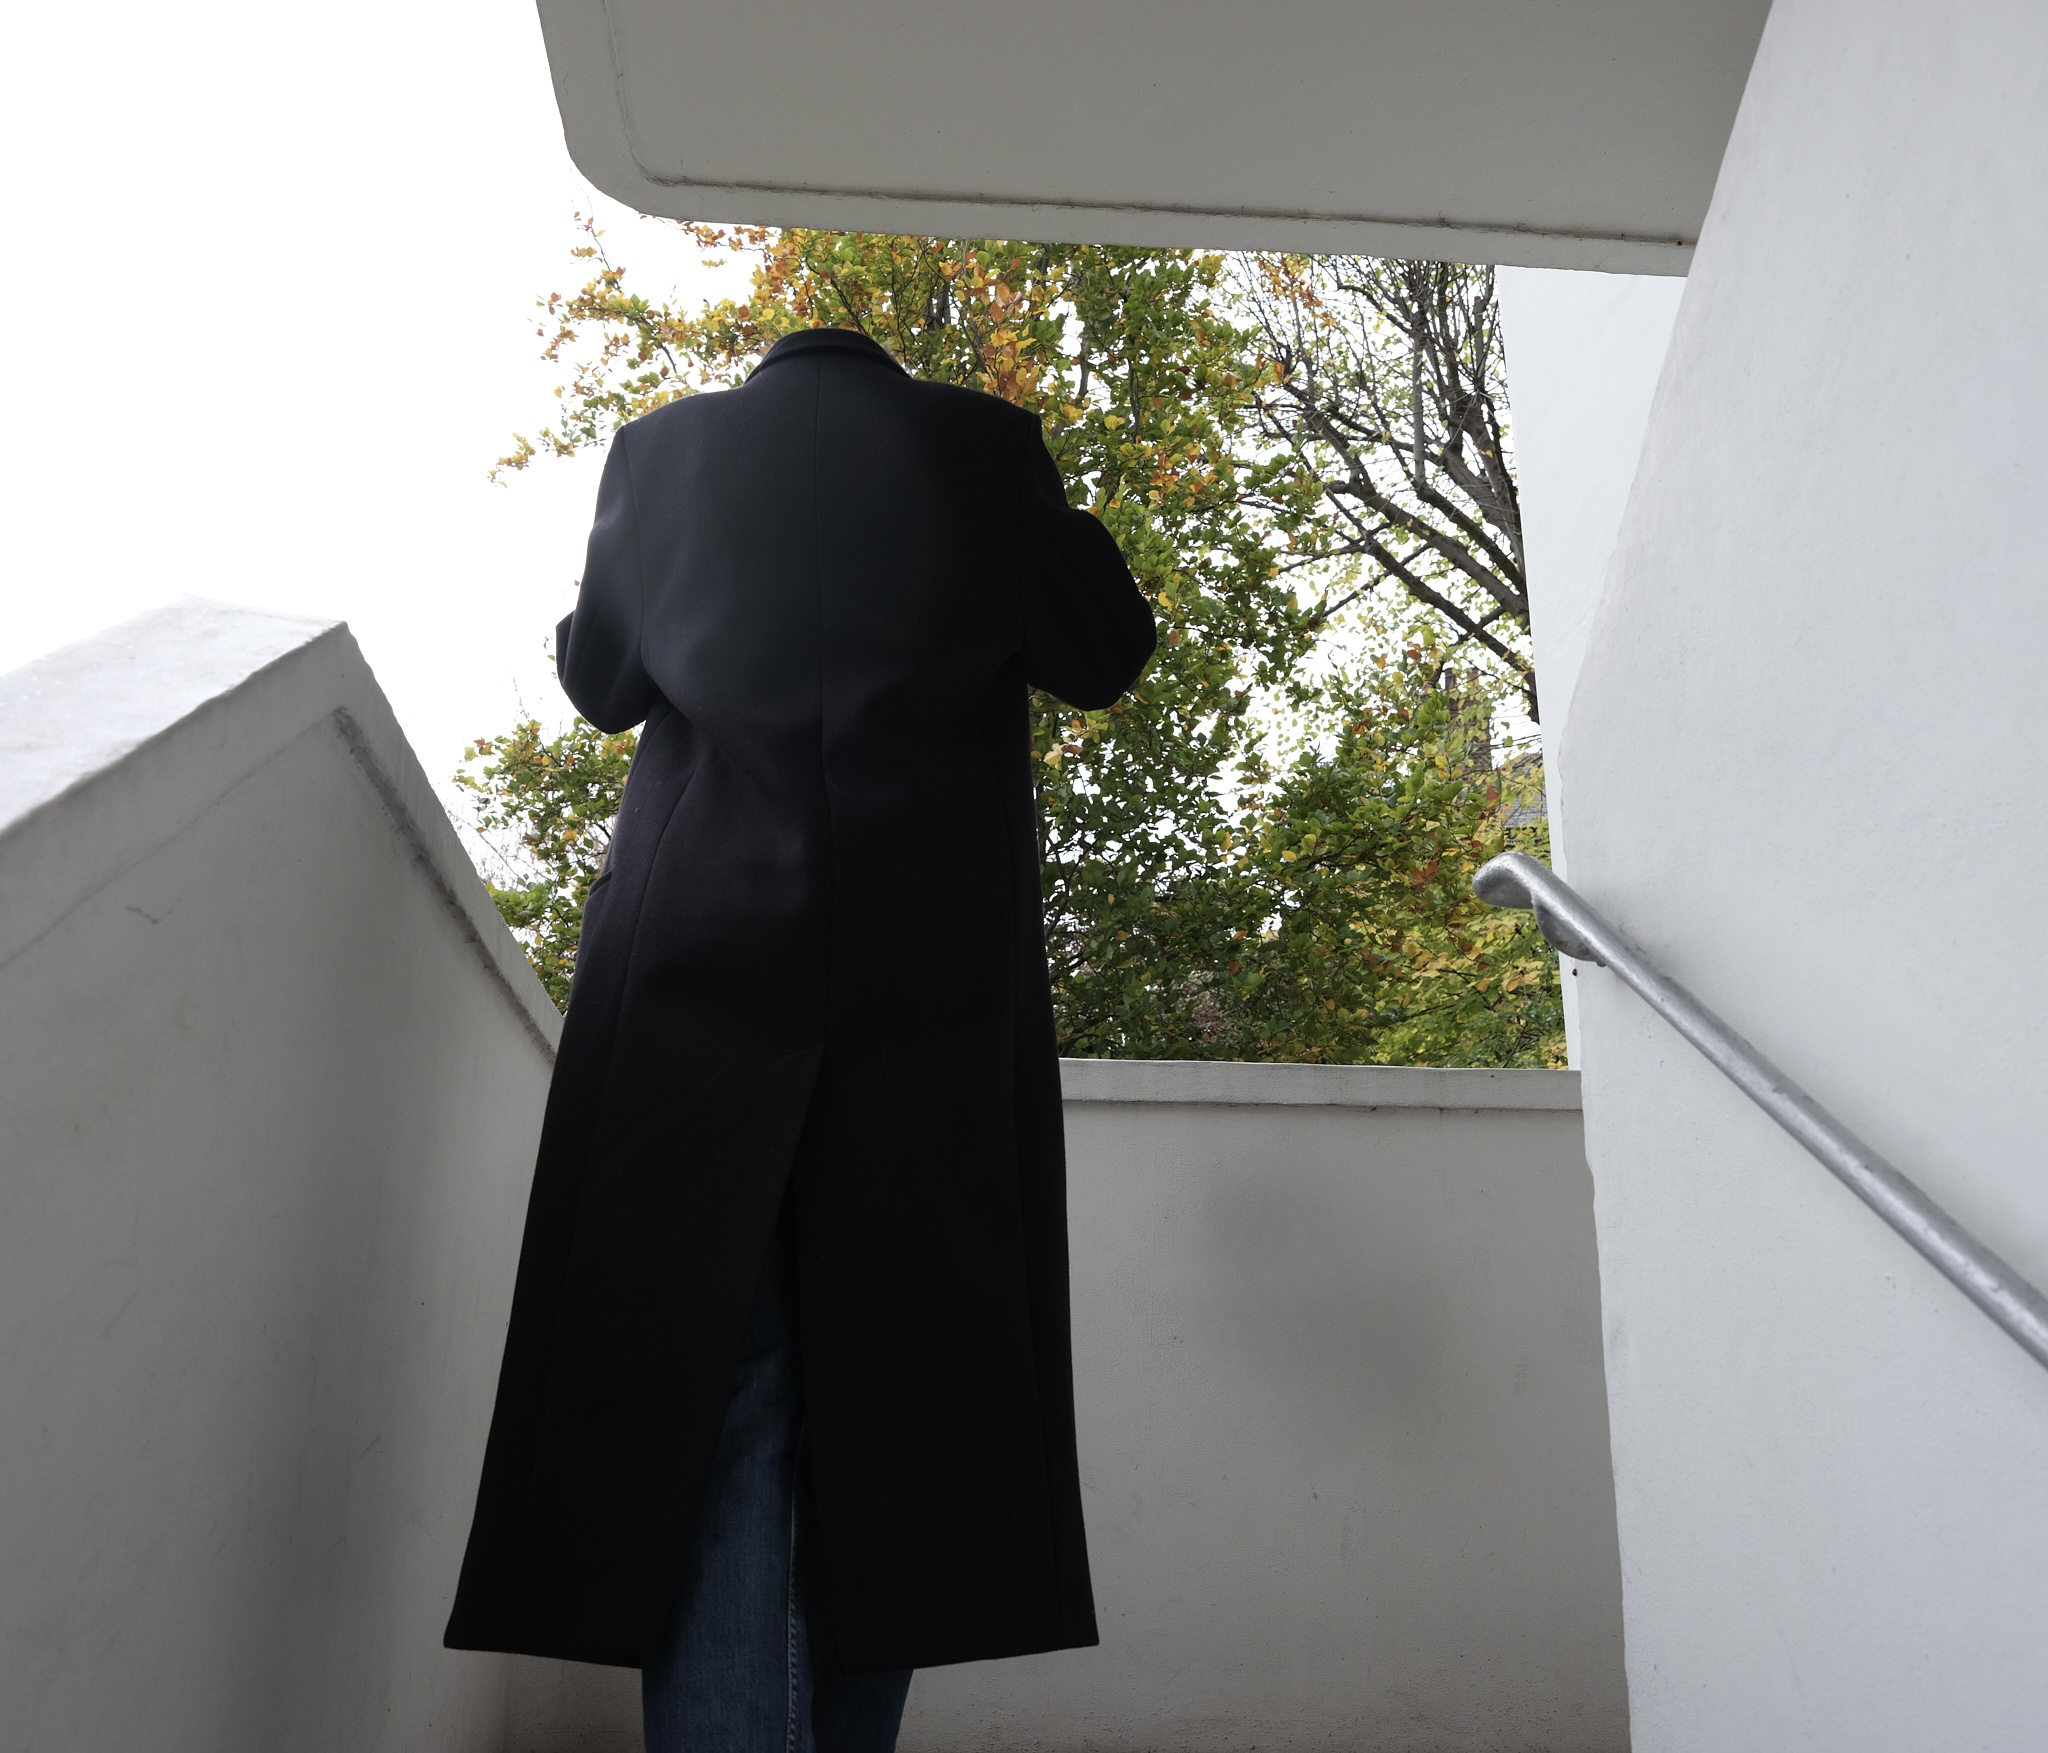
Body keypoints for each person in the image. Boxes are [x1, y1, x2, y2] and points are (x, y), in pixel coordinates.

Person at [444, 324, 1156, 1753]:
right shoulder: (982, 446)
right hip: (927, 990)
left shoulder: (661, 455)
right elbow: (1105, 649)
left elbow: (601, 680)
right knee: (902, 1423)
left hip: (695, 971)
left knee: (719, 1394)